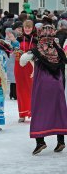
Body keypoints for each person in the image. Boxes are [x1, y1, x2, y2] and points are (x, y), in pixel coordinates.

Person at [20, 23, 67, 155]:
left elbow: (22, 61)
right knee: (58, 110)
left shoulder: (37, 50)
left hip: (42, 84)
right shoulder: (57, 49)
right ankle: (61, 141)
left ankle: (40, 141)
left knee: (39, 110)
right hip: (57, 85)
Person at [14, 20, 38, 123]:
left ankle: (33, 112)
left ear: (32, 28)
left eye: (29, 27)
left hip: (32, 67)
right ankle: (22, 113)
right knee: (21, 89)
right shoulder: (18, 39)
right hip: (20, 67)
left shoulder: (36, 40)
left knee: (33, 90)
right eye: (25, 27)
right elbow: (13, 50)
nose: (27, 29)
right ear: (23, 28)